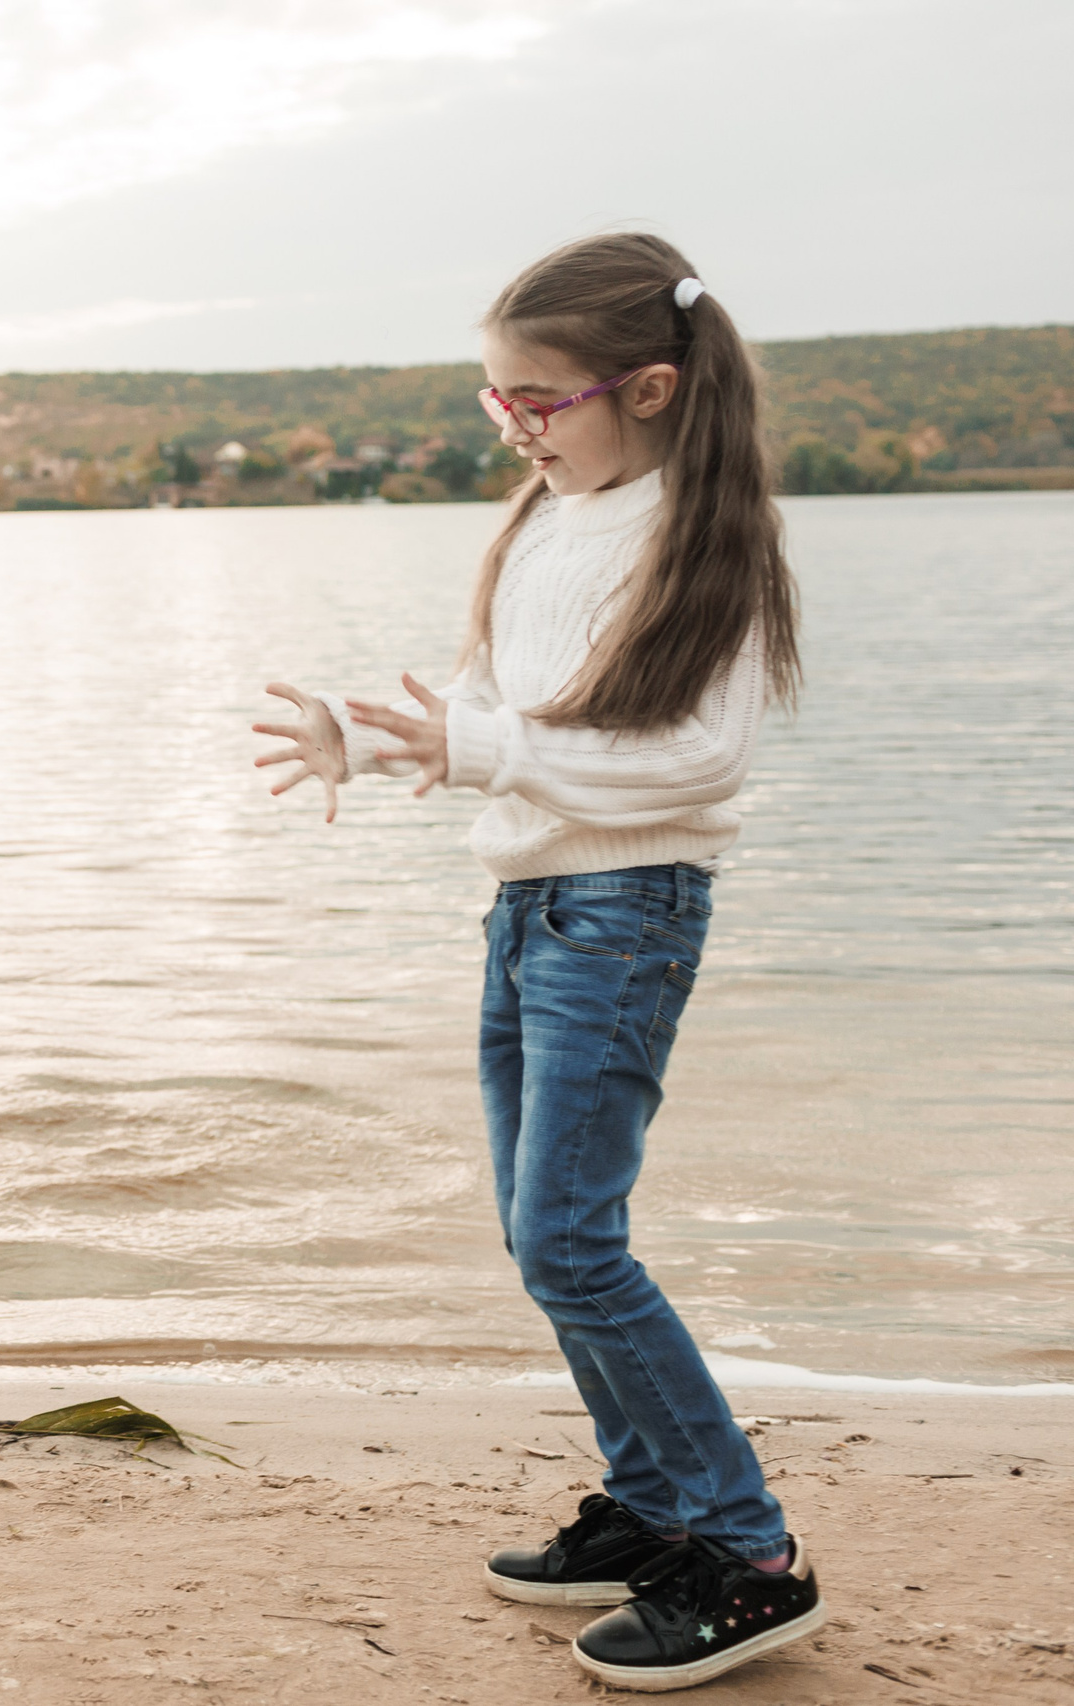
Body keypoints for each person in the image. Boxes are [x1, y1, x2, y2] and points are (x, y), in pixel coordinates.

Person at [253, 233, 820, 1693]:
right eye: (494, 400)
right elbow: (496, 712)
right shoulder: (542, 525)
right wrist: (368, 737)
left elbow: (697, 758)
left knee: (575, 1239)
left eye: (535, 403)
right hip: (534, 912)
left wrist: (483, 745)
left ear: (644, 388)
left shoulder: (702, 535)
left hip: (627, 912)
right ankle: (650, 1505)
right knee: (540, 1233)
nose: (511, 427)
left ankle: (749, 1556)